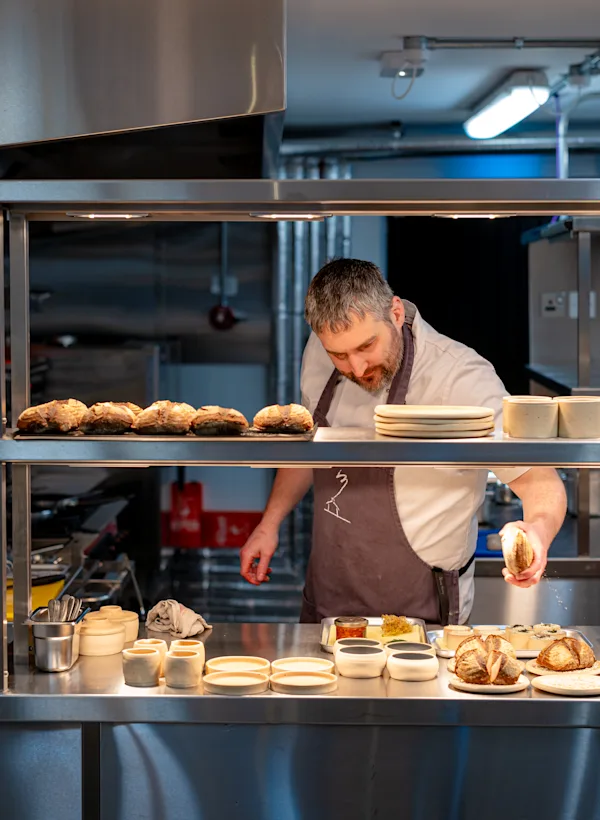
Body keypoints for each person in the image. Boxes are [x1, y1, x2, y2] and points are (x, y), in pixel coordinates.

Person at [239, 259, 567, 624]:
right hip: (332, 594)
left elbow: (540, 480)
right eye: (340, 355)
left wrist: (537, 531)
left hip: (423, 604)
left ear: (395, 312)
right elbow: (311, 448)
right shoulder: (319, 352)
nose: (357, 368)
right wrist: (269, 523)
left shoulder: (459, 375)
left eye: (367, 346)